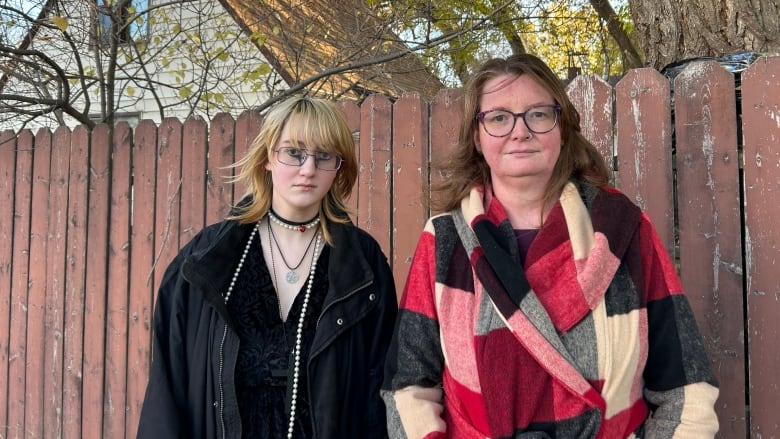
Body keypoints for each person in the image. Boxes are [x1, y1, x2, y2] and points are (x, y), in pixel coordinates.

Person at [381, 54, 719, 438]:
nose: (520, 131)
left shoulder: (624, 230)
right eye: (498, 118)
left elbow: (687, 387)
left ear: (562, 127)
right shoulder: (445, 240)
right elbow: (408, 388)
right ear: (477, 136)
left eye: (538, 114)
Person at [137, 96, 397, 438]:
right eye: (294, 152)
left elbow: (380, 391)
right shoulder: (206, 260)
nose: (308, 169)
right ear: (268, 158)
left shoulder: (362, 265)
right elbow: (167, 391)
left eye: (324, 156)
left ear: (338, 167)